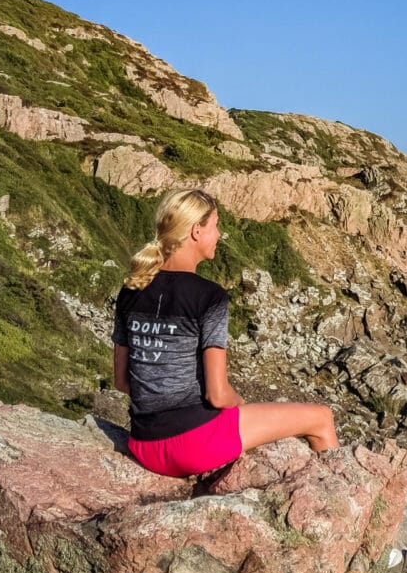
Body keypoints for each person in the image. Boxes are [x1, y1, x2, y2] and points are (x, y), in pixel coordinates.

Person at [112, 185, 339, 478]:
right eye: (215, 226)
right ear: (196, 231)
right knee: (321, 418)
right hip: (193, 447)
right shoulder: (209, 296)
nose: (219, 235)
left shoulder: (131, 289)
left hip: (144, 446)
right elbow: (218, 395)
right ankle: (337, 501)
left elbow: (122, 381)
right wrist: (240, 405)